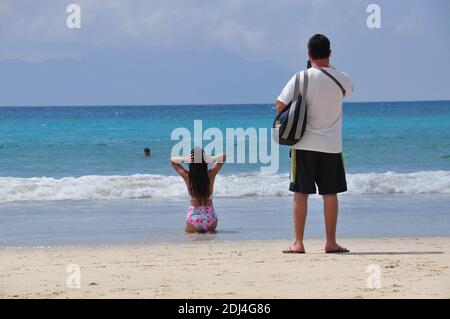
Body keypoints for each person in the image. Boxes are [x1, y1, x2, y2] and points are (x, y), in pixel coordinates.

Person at [276, 34, 353, 254]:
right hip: (331, 146)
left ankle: (298, 243)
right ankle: (330, 242)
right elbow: (347, 93)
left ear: (308, 54)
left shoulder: (301, 78)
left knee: (301, 194)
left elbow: (280, 106)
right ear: (330, 53)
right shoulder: (342, 78)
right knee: (330, 194)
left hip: (303, 145)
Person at [170, 148, 226, 233]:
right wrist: (210, 159)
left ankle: (196, 232)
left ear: (191, 162)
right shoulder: (210, 174)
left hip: (194, 219)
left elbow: (172, 161)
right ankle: (208, 231)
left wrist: (185, 159)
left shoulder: (188, 177)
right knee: (210, 232)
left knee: (189, 234)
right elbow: (223, 156)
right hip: (210, 217)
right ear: (204, 161)